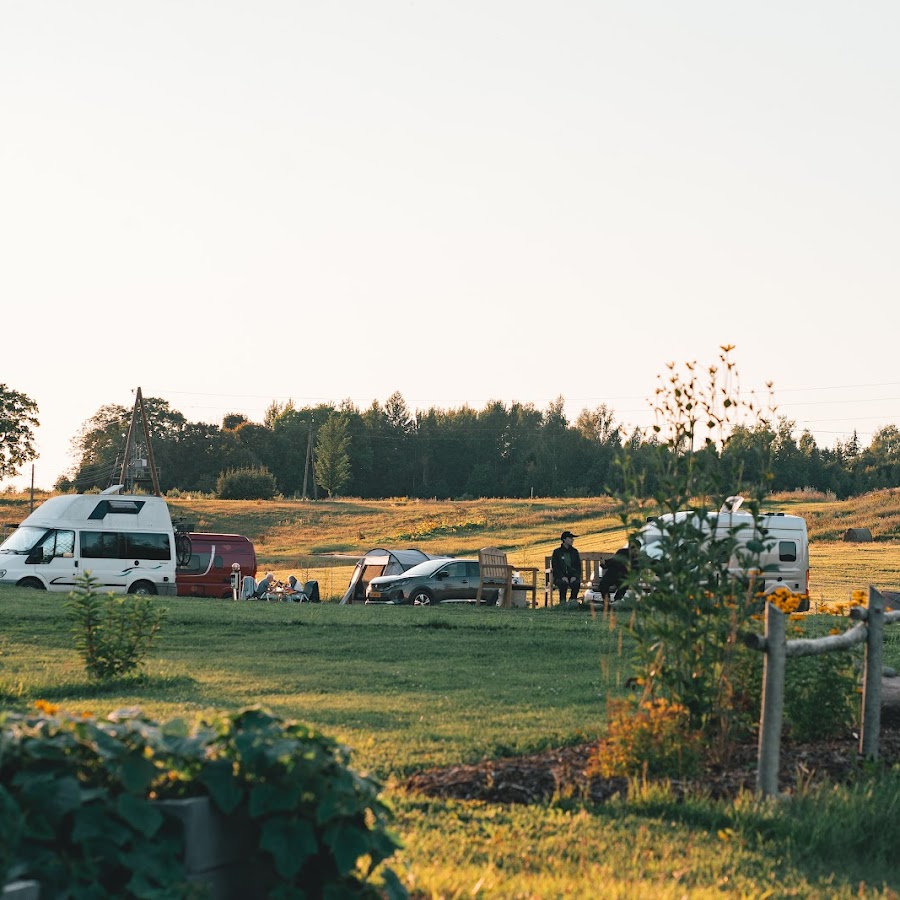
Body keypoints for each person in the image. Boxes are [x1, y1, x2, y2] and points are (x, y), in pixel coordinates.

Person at [551, 531, 581, 605]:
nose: (572, 540)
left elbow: (578, 566)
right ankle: (562, 603)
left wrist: (574, 576)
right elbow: (555, 567)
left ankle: (572, 601)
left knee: (576, 583)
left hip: (572, 575)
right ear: (564, 539)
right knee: (562, 583)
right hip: (560, 576)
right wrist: (562, 576)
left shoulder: (574, 552)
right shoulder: (557, 552)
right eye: (570, 538)